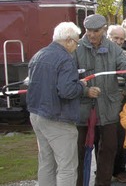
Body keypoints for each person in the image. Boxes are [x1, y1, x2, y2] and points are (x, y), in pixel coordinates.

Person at [73, 14, 126, 186]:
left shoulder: (113, 48)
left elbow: (124, 65)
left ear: (104, 30)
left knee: (109, 150)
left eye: (96, 31)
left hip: (108, 110)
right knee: (80, 152)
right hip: (83, 112)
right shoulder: (76, 49)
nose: (91, 34)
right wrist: (85, 91)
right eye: (88, 31)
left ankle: (103, 183)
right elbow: (69, 79)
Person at [27, 22, 86, 186]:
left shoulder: (39, 55)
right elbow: (67, 91)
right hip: (58, 119)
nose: (76, 46)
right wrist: (81, 85)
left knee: (46, 162)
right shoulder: (65, 59)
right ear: (68, 40)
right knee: (67, 166)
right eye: (76, 42)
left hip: (37, 115)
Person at [106, 24, 126, 183]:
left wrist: (124, 92)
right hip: (103, 101)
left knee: (121, 136)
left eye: (121, 39)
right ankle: (105, 169)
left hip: (121, 100)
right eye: (115, 38)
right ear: (108, 37)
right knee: (103, 138)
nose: (118, 41)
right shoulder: (100, 54)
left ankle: (120, 170)